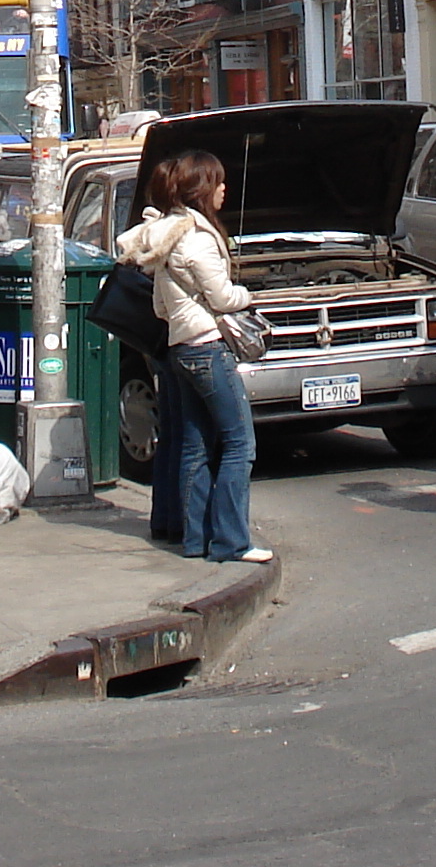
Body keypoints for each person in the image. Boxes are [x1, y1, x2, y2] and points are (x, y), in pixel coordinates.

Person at [114, 150, 271, 564]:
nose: (224, 190)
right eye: (218, 182)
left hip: (181, 348)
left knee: (194, 446)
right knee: (240, 444)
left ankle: (195, 538)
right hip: (208, 349)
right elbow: (222, 297)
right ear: (203, 190)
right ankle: (232, 541)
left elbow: (161, 309)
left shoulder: (168, 241)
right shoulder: (199, 240)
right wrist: (249, 295)